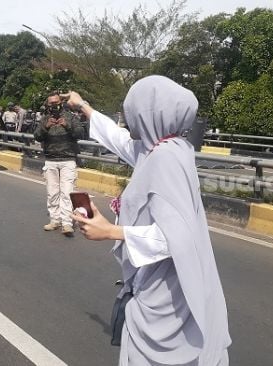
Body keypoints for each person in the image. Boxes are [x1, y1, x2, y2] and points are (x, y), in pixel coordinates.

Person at [66, 76, 231, 366]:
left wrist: (111, 231)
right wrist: (84, 106)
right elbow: (116, 139)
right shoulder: (168, 148)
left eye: (134, 112)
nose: (130, 121)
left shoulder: (164, 159)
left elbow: (176, 238)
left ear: (151, 113)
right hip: (163, 278)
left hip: (165, 291)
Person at [34, 91, 84, 237]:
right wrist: (46, 127)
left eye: (56, 103)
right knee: (52, 192)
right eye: (51, 103)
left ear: (61, 103)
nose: (54, 106)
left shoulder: (71, 117)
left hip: (68, 159)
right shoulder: (44, 119)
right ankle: (55, 220)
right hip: (50, 160)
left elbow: (80, 133)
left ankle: (67, 223)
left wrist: (67, 125)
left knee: (67, 192)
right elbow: (37, 136)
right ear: (47, 104)